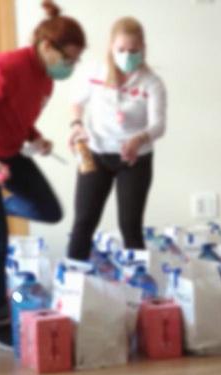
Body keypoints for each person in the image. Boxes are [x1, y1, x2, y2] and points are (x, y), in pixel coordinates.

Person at [0, 0, 85, 349]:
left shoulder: (46, 80)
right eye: (68, 59)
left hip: (9, 153)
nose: (71, 66)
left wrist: (36, 139)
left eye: (75, 60)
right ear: (45, 47)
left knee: (50, 211)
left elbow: (17, 117)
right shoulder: (7, 65)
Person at [66, 17, 167, 261]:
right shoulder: (95, 72)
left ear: (143, 48)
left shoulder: (152, 83)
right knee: (83, 222)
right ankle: (72, 283)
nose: (127, 55)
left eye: (133, 50)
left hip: (134, 159)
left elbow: (158, 125)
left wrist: (139, 139)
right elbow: (76, 103)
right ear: (111, 47)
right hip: (95, 152)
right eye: (121, 50)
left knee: (130, 226)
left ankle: (139, 286)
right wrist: (76, 126)